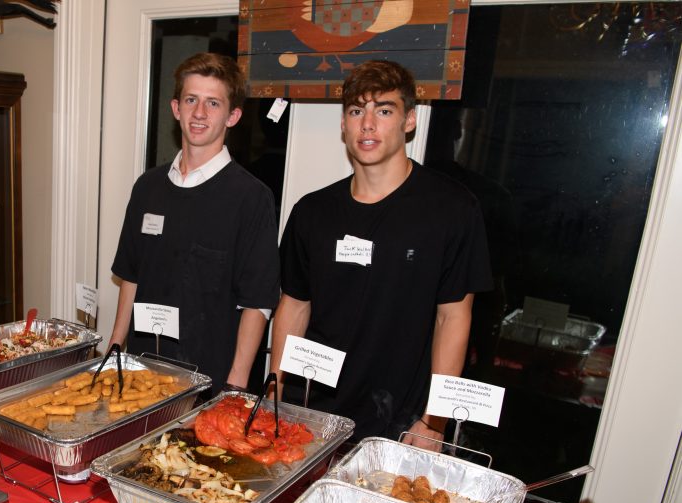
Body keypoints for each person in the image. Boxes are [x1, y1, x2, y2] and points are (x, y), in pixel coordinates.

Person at [271, 60, 492, 446]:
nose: (368, 124)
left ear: (409, 121)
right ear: (343, 124)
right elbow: (294, 305)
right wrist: (275, 389)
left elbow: (453, 317)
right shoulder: (312, 211)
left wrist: (434, 421)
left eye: (384, 110)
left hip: (400, 421)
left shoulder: (452, 208)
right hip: (308, 411)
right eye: (357, 110)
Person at [109, 52, 279, 392]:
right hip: (140, 379)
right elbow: (130, 275)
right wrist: (114, 351)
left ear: (232, 116)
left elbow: (257, 302)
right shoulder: (148, 187)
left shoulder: (251, 197)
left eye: (213, 103)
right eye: (191, 100)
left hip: (209, 384)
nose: (200, 113)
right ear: (176, 109)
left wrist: (236, 384)